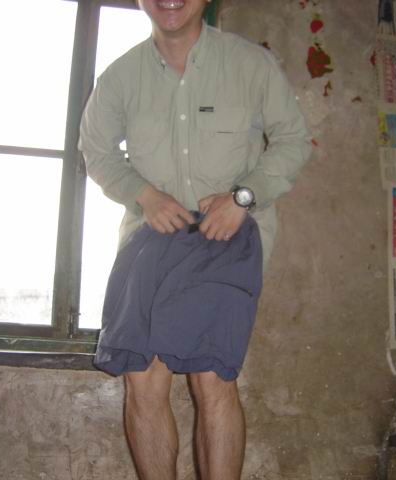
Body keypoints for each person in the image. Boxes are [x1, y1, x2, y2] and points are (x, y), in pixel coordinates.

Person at [79, 0, 311, 478]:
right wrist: (143, 195)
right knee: (142, 378)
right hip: (149, 237)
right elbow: (96, 151)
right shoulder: (120, 78)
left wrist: (243, 197)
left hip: (224, 236)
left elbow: (293, 140)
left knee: (211, 378)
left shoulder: (250, 64)